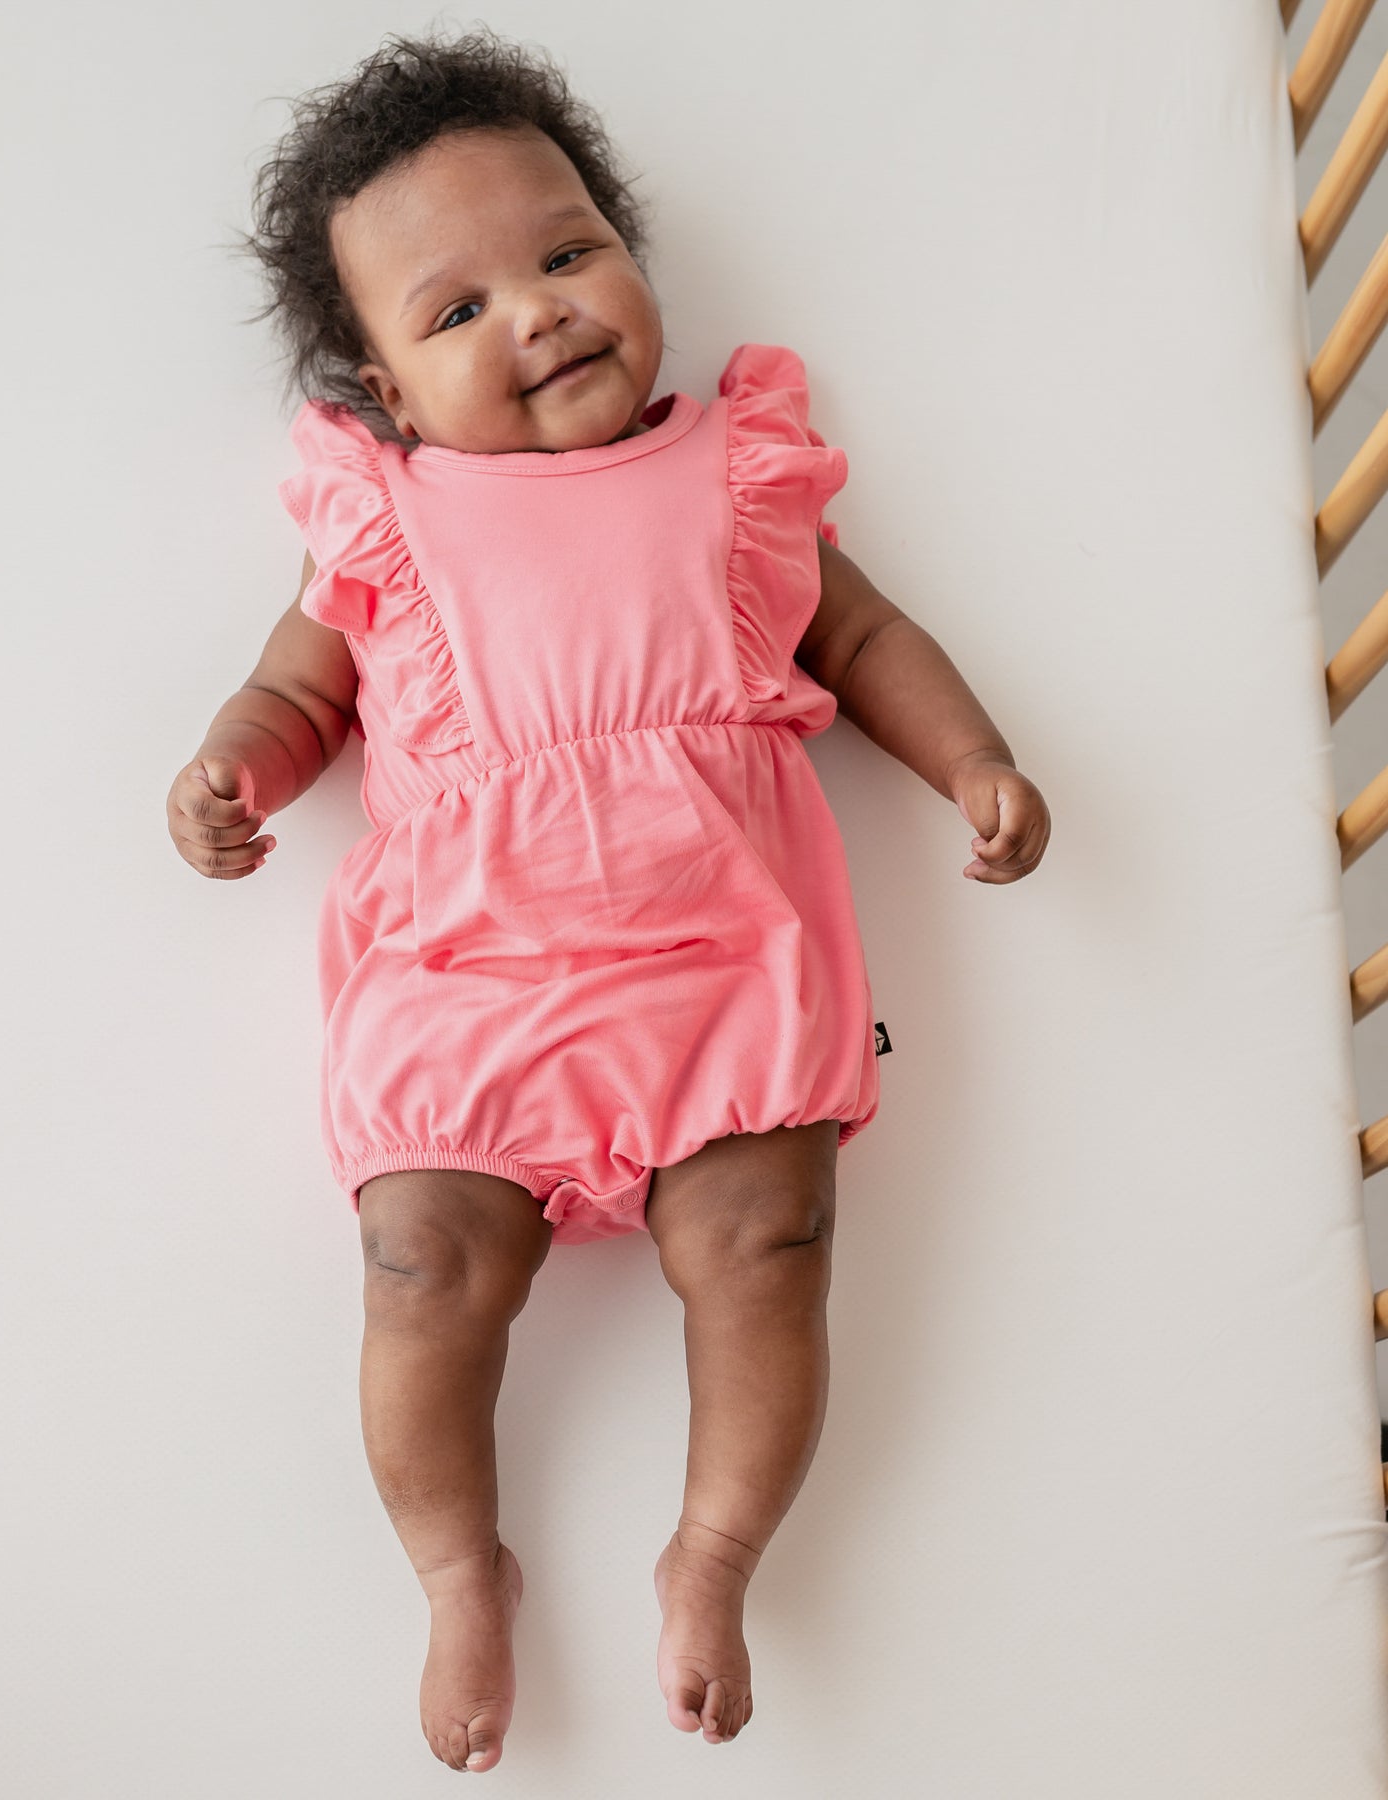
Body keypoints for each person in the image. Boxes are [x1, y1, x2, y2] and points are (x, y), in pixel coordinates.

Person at [166, 26, 1051, 1775]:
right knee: (419, 1261)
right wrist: (230, 774)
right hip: (471, 974)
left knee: (770, 1246)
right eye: (457, 310)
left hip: (721, 952)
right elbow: (297, 691)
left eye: (568, 252)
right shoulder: (391, 526)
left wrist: (975, 762)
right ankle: (453, 1569)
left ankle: (712, 1555)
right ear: (382, 394)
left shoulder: (735, 472)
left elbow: (860, 637)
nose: (542, 310)